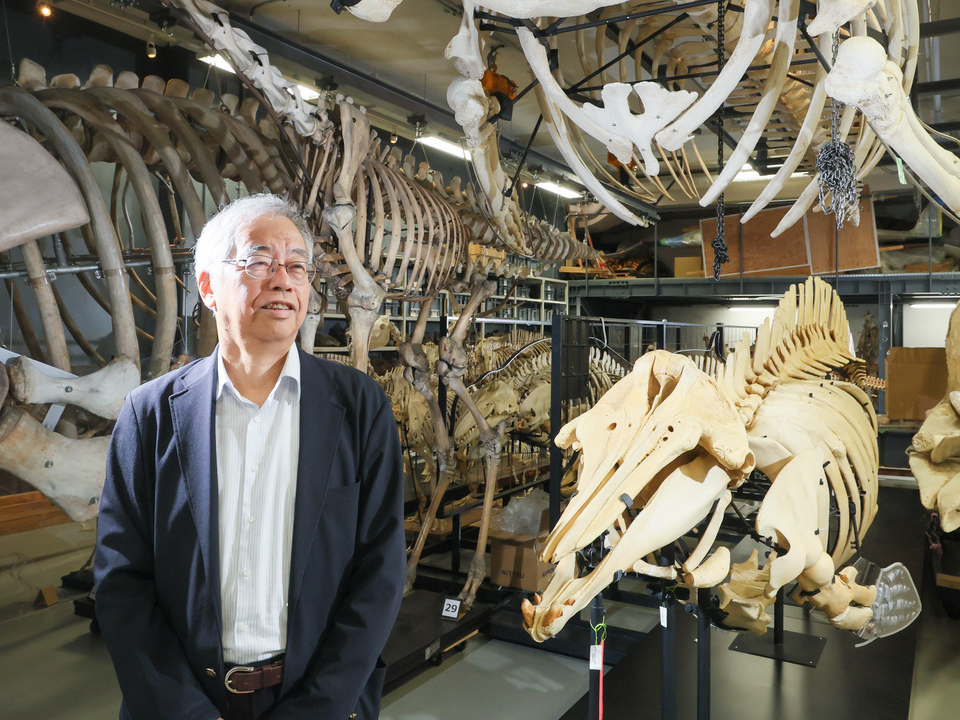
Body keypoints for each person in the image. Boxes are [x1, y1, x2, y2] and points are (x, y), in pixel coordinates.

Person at [94, 193, 406, 720]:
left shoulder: (360, 407)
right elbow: (121, 580)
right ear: (209, 287)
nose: (283, 279)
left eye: (297, 265)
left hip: (321, 701)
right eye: (259, 261)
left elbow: (380, 571)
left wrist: (317, 708)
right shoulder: (147, 415)